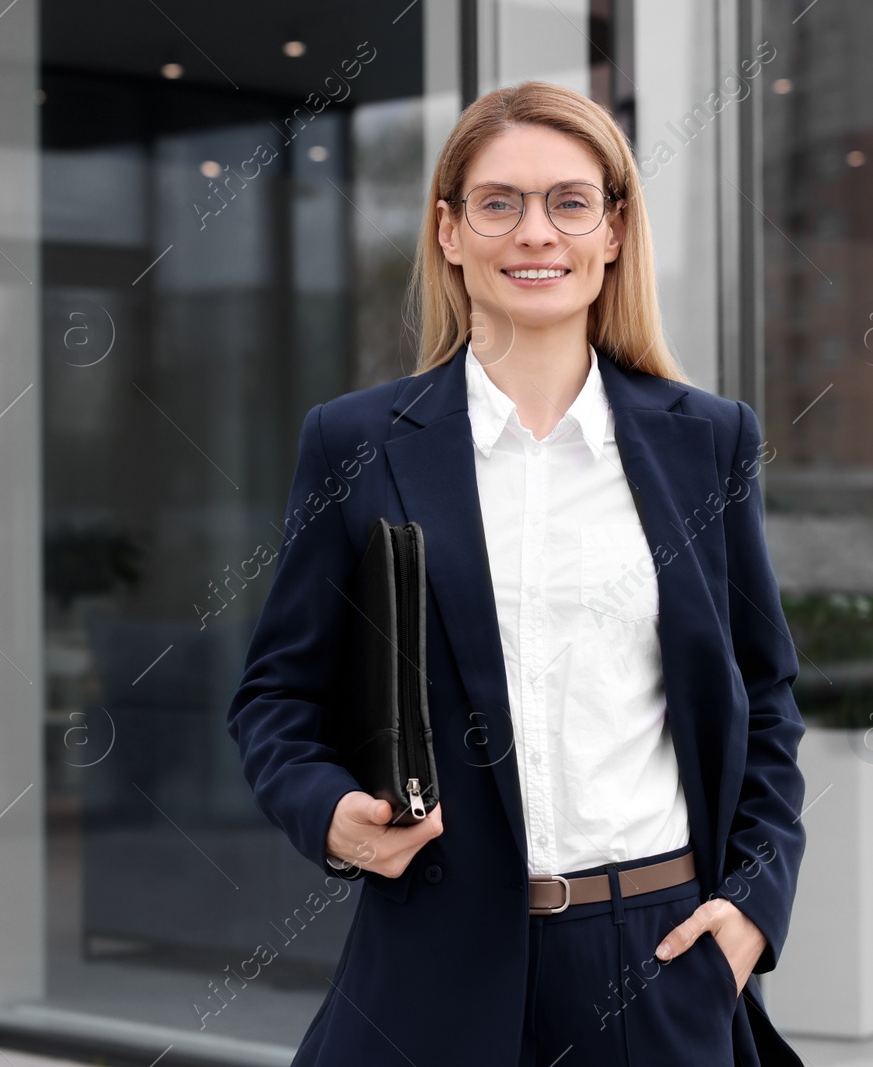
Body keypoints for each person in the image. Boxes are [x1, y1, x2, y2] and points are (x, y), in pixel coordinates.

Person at [226, 81, 807, 1067]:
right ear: (449, 231)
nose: (535, 232)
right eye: (499, 203)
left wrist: (753, 904)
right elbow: (275, 695)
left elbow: (763, 693)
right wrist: (329, 813)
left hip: (656, 959)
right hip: (429, 962)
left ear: (613, 231)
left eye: (569, 202)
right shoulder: (355, 442)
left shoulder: (706, 442)